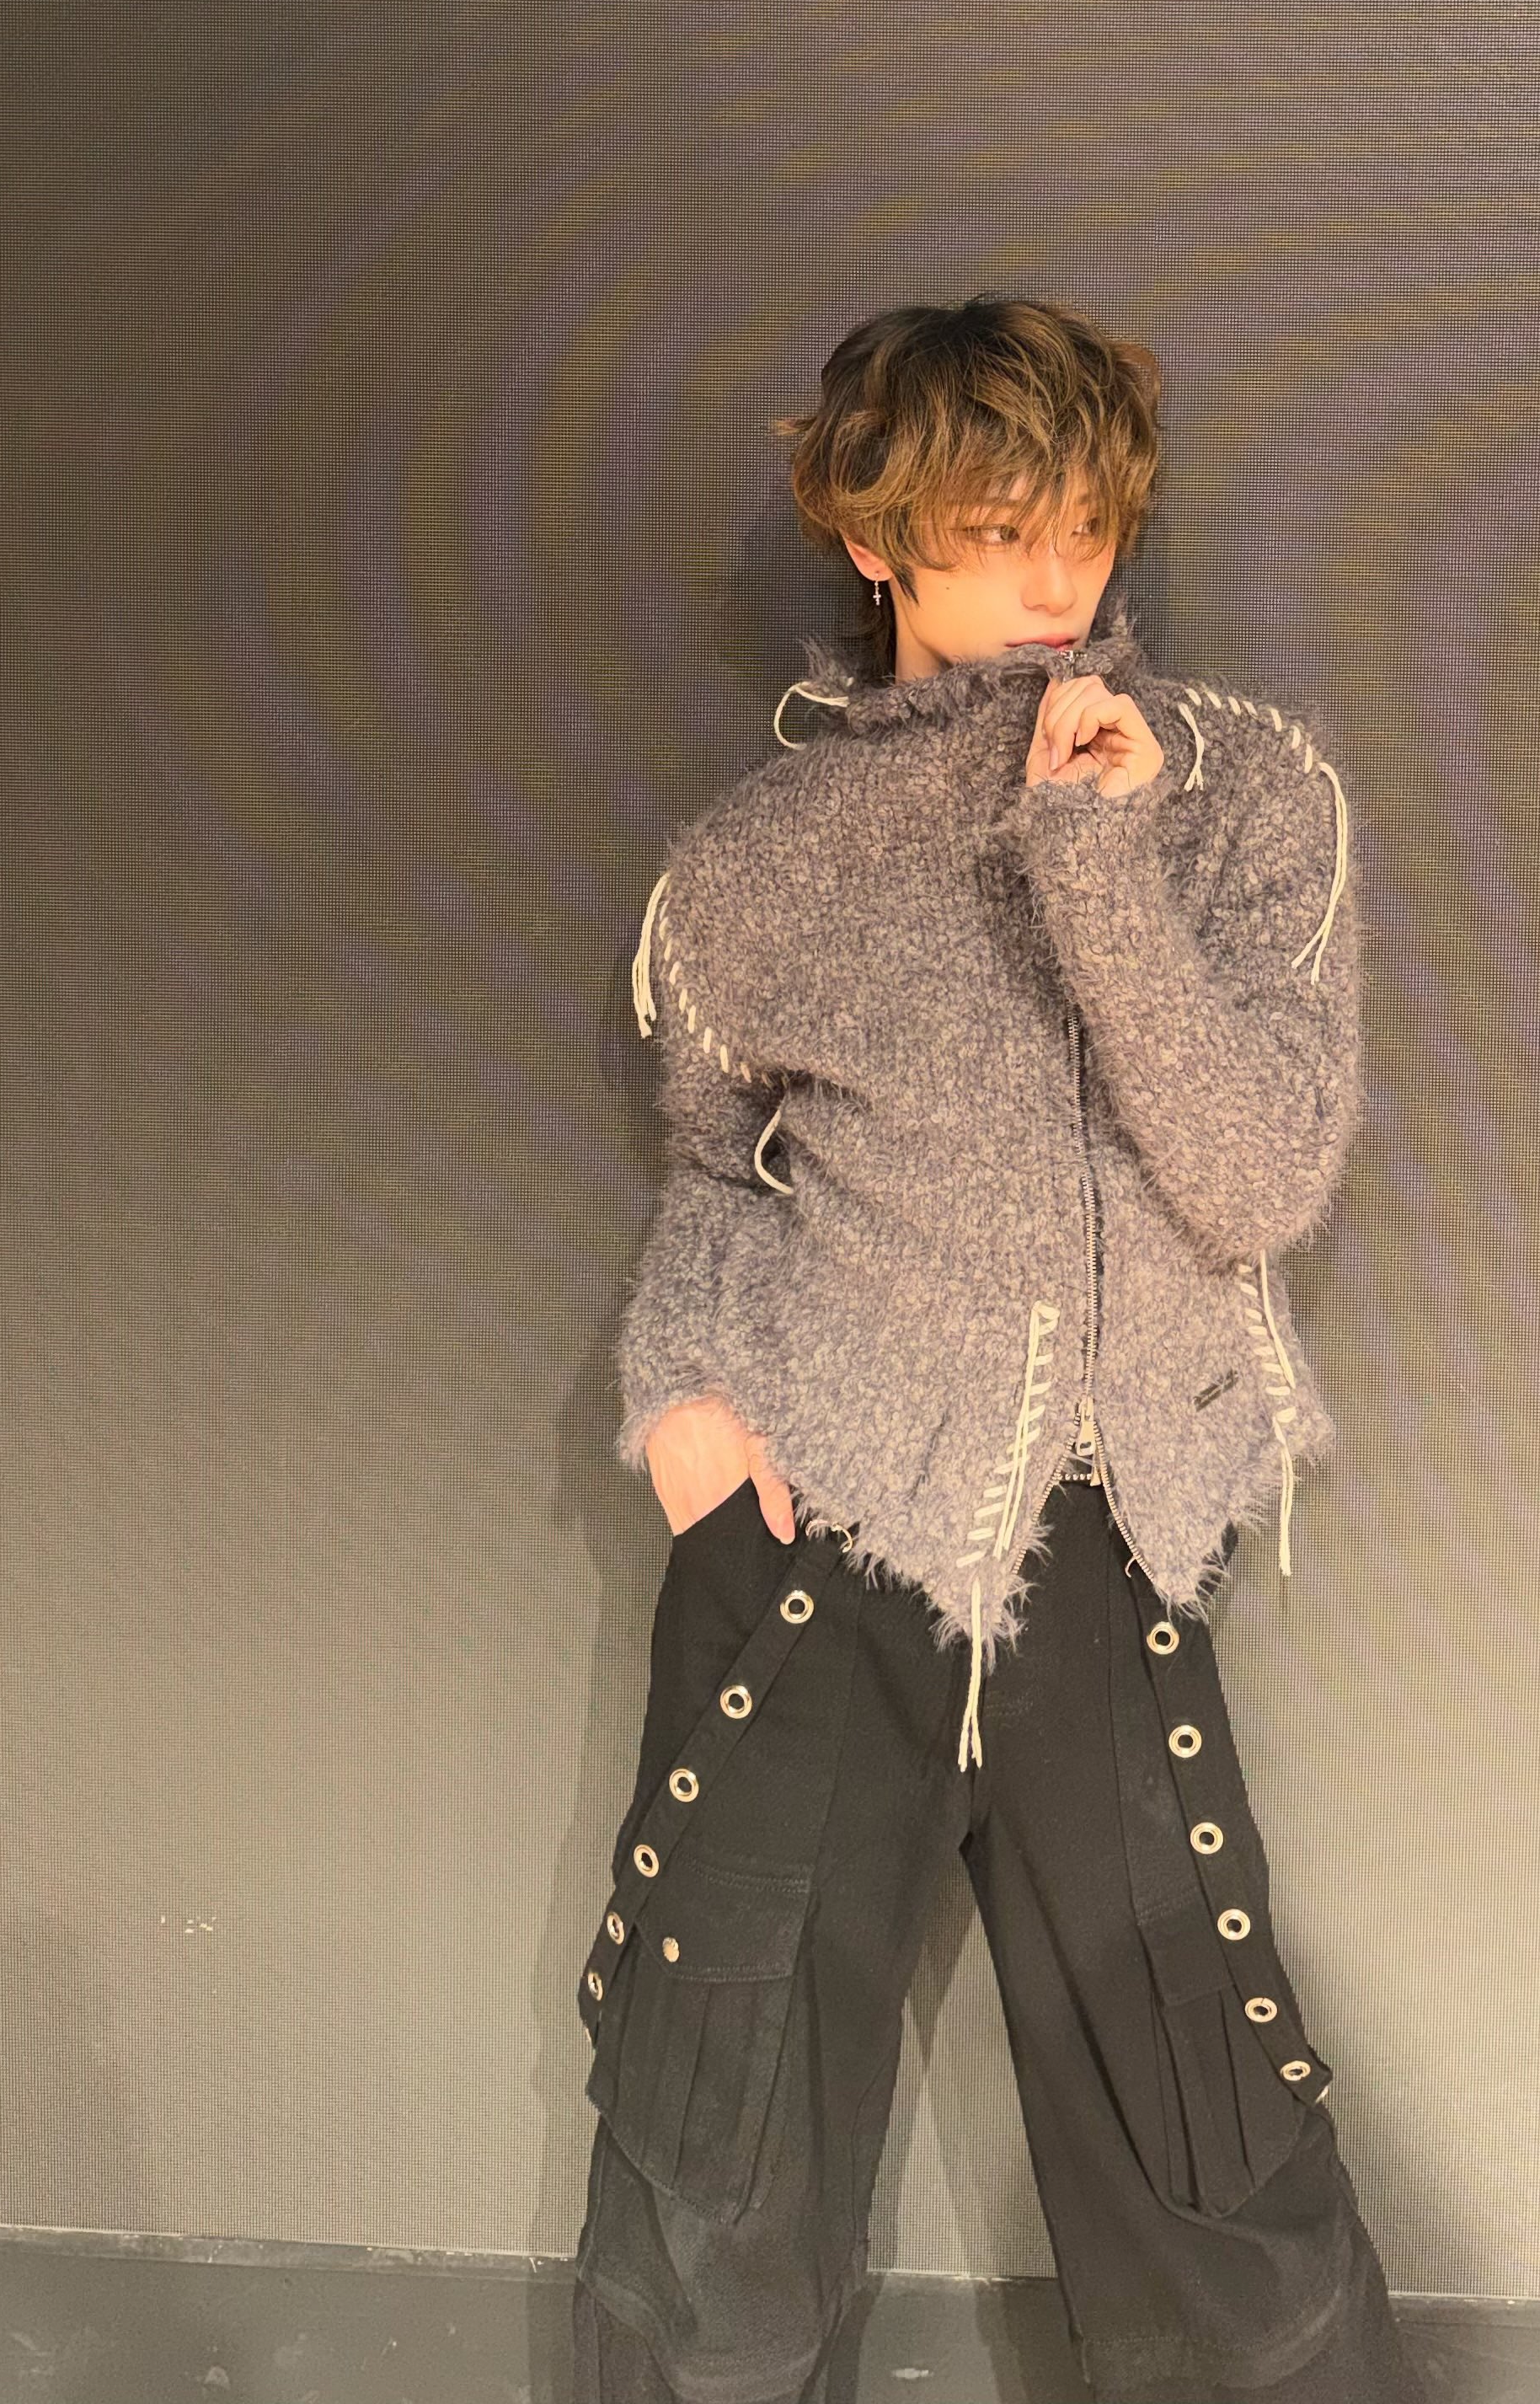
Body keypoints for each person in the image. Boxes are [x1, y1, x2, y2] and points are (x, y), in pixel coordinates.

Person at [573, 294, 1421, 2404]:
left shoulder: (1241, 796)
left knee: (1212, 2158)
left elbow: (1253, 1179)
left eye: (1089, 522)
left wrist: (1095, 863)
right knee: (718, 2135)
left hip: (1103, 1530)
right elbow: (715, 1173)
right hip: (808, 1533)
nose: (1061, 575)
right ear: (873, 540)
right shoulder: (755, 863)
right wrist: (683, 1406)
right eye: (996, 525)